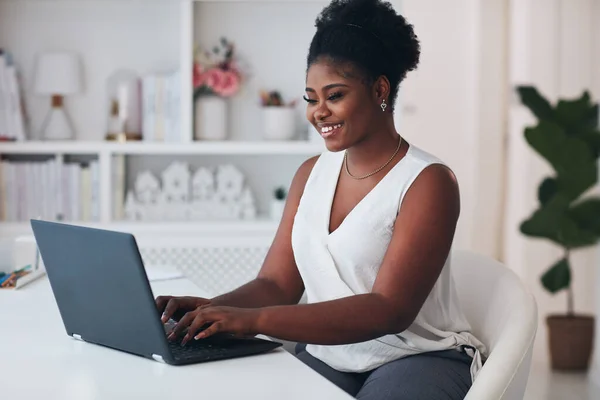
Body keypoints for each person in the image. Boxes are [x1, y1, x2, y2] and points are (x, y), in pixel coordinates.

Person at [156, 0, 487, 398]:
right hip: (333, 354)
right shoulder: (310, 174)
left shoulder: (427, 182)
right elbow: (276, 283)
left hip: (417, 358)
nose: (319, 113)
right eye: (312, 98)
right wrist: (209, 312)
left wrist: (251, 320)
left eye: (335, 95)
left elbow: (388, 309)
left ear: (380, 89)